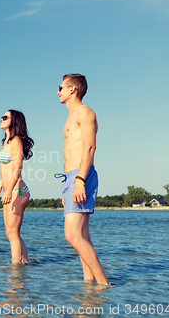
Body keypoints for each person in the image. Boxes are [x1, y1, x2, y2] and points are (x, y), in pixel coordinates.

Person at [57, 73, 109, 285]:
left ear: (73, 90)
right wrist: (66, 187)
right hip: (71, 177)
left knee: (72, 235)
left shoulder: (85, 112)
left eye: (61, 87)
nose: (57, 91)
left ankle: (104, 284)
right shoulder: (70, 116)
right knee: (82, 236)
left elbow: (89, 147)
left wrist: (80, 181)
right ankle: (89, 286)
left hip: (81, 176)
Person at [0, 110, 34, 264]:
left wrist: (8, 189)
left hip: (17, 190)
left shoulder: (15, 140)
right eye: (1, 116)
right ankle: (24, 263)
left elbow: (18, 166)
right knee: (11, 232)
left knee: (12, 232)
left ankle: (15, 269)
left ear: (14, 121)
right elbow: (7, 168)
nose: (1, 119)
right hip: (10, 188)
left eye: (5, 117)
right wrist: (0, 183)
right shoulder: (7, 141)